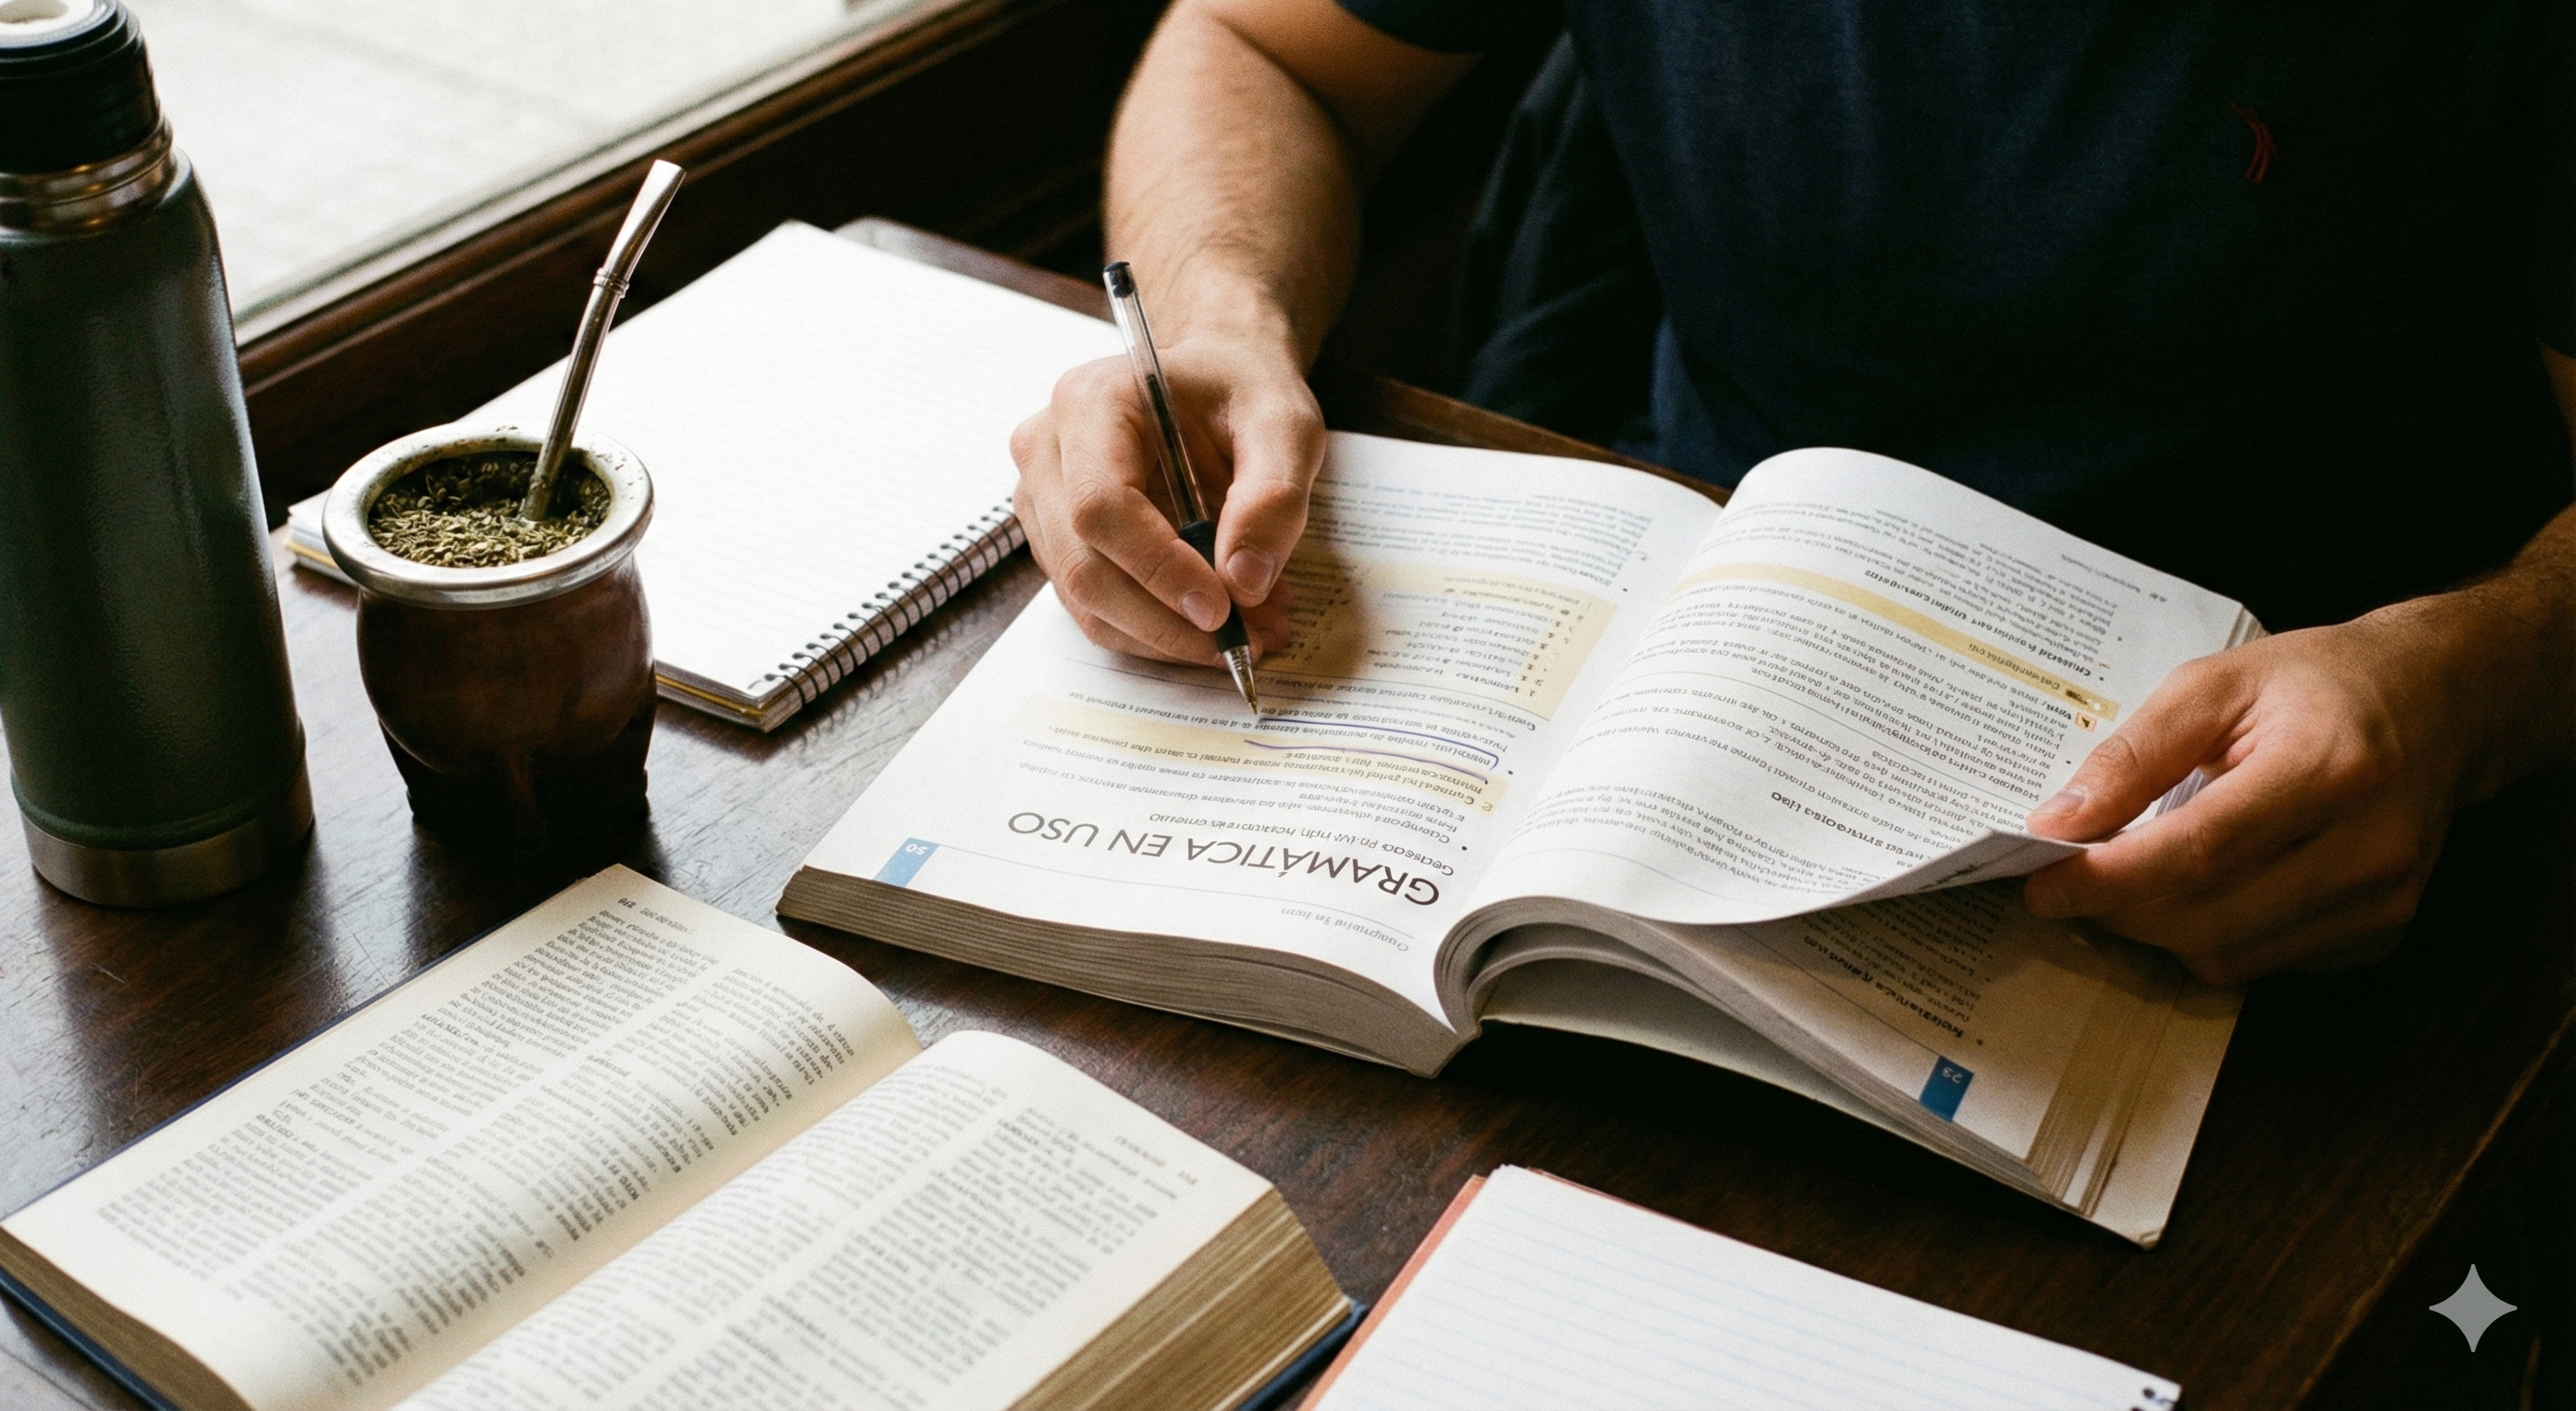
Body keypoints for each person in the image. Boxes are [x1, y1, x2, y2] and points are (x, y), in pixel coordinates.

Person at [1007, 0, 2576, 986]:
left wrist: (2466, 689)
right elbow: (1266, 47)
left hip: (2321, 814)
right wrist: (1215, 318)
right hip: (1701, 665)